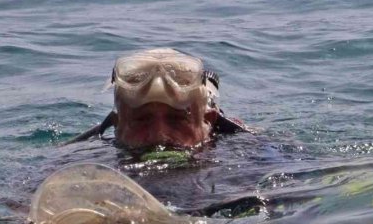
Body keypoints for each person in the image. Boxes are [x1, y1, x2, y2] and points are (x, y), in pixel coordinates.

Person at [62, 48, 248, 149]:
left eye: (177, 119)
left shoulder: (248, 160)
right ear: (117, 125)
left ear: (207, 121)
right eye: (142, 120)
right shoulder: (83, 164)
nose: (159, 136)